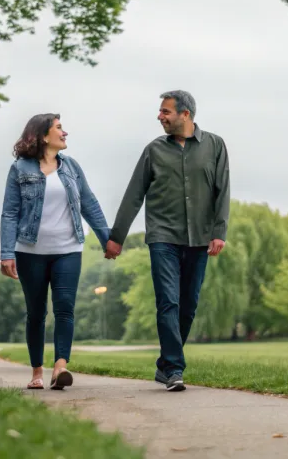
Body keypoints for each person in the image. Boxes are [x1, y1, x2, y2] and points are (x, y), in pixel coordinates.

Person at [105, 91, 230, 392]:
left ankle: (164, 365)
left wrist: (219, 232)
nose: (160, 117)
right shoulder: (154, 150)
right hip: (163, 236)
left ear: (185, 114)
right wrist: (117, 237)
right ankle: (174, 368)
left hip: (200, 237)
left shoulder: (214, 145)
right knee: (168, 301)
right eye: (160, 112)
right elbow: (134, 194)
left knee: (188, 305)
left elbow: (222, 190)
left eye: (166, 112)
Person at [0, 113, 110, 391]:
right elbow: (10, 214)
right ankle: (37, 370)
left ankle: (60, 366)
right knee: (36, 313)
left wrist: (108, 239)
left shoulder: (71, 167)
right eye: (59, 128)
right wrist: (7, 253)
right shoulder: (20, 169)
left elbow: (90, 203)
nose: (65, 133)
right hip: (29, 252)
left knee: (65, 309)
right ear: (43, 136)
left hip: (68, 249)